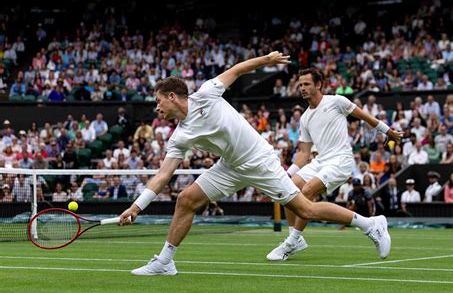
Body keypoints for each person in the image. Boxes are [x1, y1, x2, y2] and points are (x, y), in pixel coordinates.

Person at [119, 53, 395, 276]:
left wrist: (266, 61)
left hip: (259, 160)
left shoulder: (206, 93)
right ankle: (165, 261)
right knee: (186, 200)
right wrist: (136, 206)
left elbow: (236, 70)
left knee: (305, 209)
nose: (156, 109)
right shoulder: (178, 136)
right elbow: (164, 174)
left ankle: (370, 224)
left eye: (158, 102)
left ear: (172, 96)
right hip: (230, 166)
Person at [266, 67, 402, 261]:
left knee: (307, 192)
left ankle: (368, 225)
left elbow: (365, 117)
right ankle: (294, 239)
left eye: (307, 84)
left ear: (319, 84)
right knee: (289, 188)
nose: (302, 88)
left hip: (341, 160)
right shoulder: (305, 117)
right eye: (300, 84)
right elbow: (304, 152)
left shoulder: (336, 101)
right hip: (320, 160)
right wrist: (289, 173)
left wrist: (387, 131)